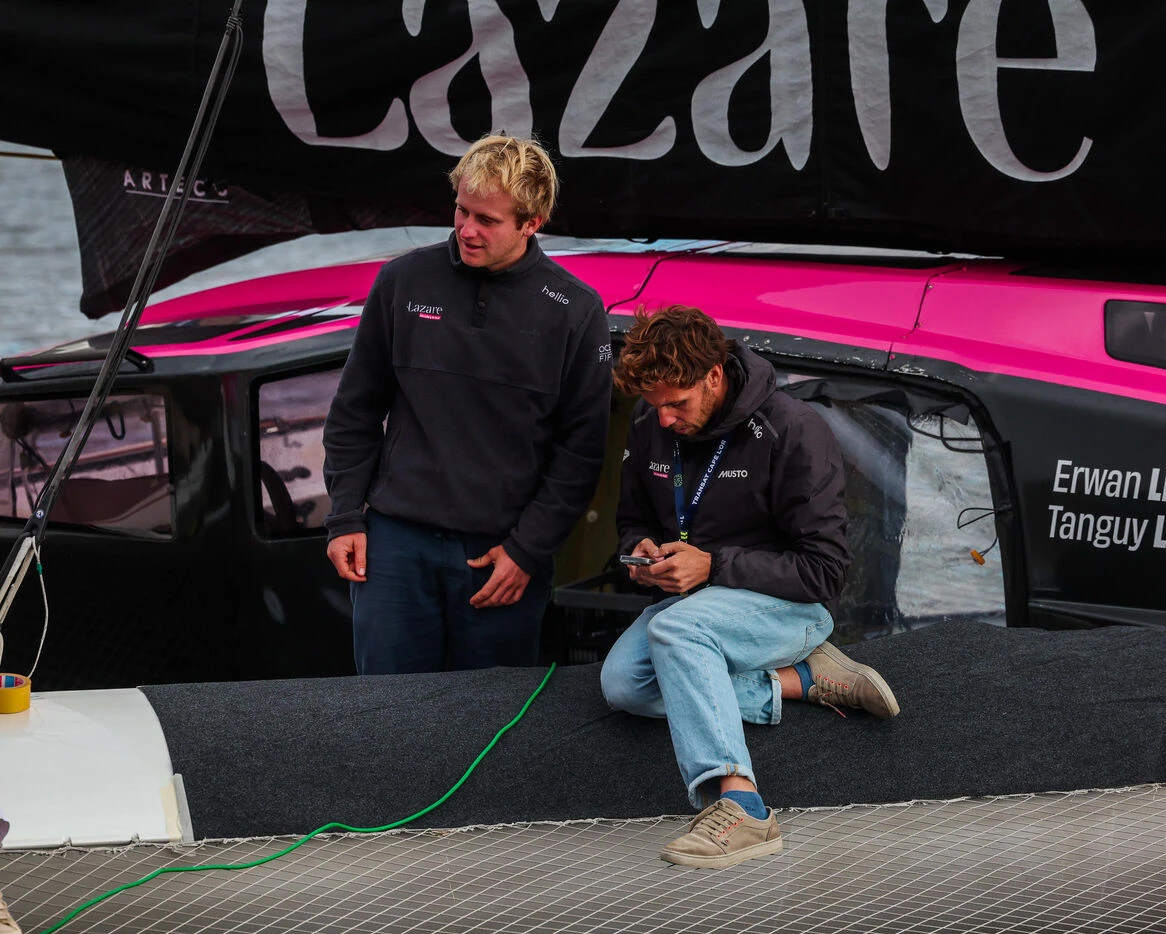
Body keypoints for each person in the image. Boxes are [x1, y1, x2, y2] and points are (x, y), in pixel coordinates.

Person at [600, 305, 900, 869]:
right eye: (653, 404)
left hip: (793, 608)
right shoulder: (649, 422)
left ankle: (745, 808)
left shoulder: (793, 429)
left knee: (677, 629)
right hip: (695, 606)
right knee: (624, 686)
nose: (663, 419)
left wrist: (712, 566)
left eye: (676, 403)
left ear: (714, 376)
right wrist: (640, 552)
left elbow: (825, 572)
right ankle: (801, 680)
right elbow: (632, 518)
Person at [322, 134, 612, 674]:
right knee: (386, 715)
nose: (466, 229)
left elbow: (581, 453)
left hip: (501, 556)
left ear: (532, 222)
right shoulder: (402, 280)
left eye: (487, 219)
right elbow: (354, 412)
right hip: (395, 549)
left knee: (488, 719)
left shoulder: (575, 310)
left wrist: (528, 550)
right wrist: (344, 518)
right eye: (461, 210)